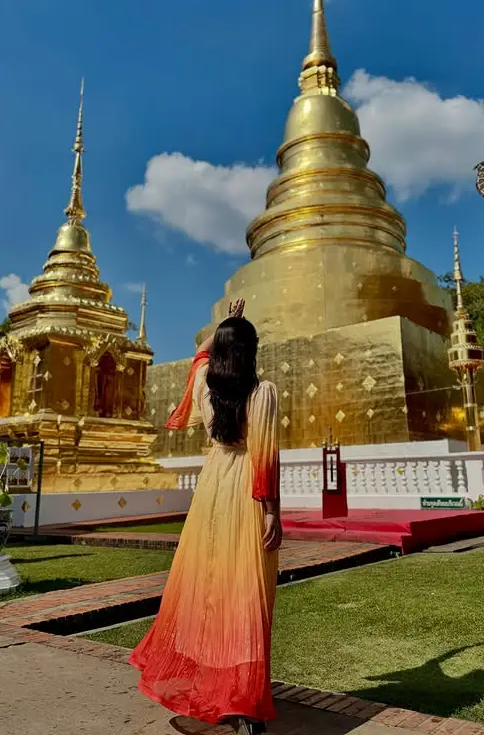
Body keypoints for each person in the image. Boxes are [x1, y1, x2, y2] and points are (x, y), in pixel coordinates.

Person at [130, 300, 282, 735]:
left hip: (212, 491)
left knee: (211, 590)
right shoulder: (262, 393)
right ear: (252, 353)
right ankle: (244, 704)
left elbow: (200, 350)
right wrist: (272, 512)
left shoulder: (204, 385)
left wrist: (225, 324)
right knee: (246, 595)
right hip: (245, 495)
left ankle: (221, 692)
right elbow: (264, 458)